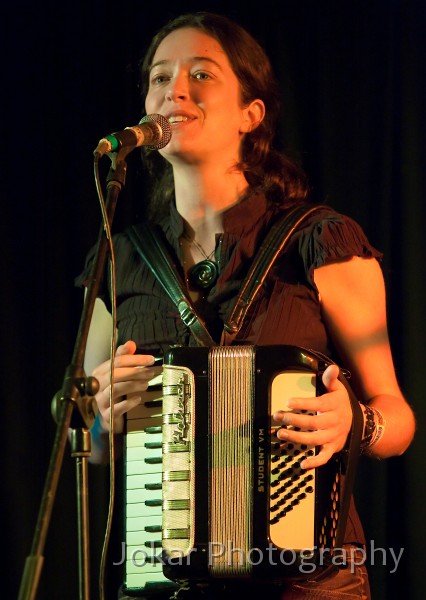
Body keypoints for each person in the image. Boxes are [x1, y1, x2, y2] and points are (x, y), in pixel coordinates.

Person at [76, 11, 416, 600]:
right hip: (166, 577)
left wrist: (357, 422)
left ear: (250, 115)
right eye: (159, 78)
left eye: (200, 74)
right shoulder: (119, 256)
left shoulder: (321, 240)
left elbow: (398, 419)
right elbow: (95, 445)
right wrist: (100, 413)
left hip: (308, 580)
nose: (174, 89)